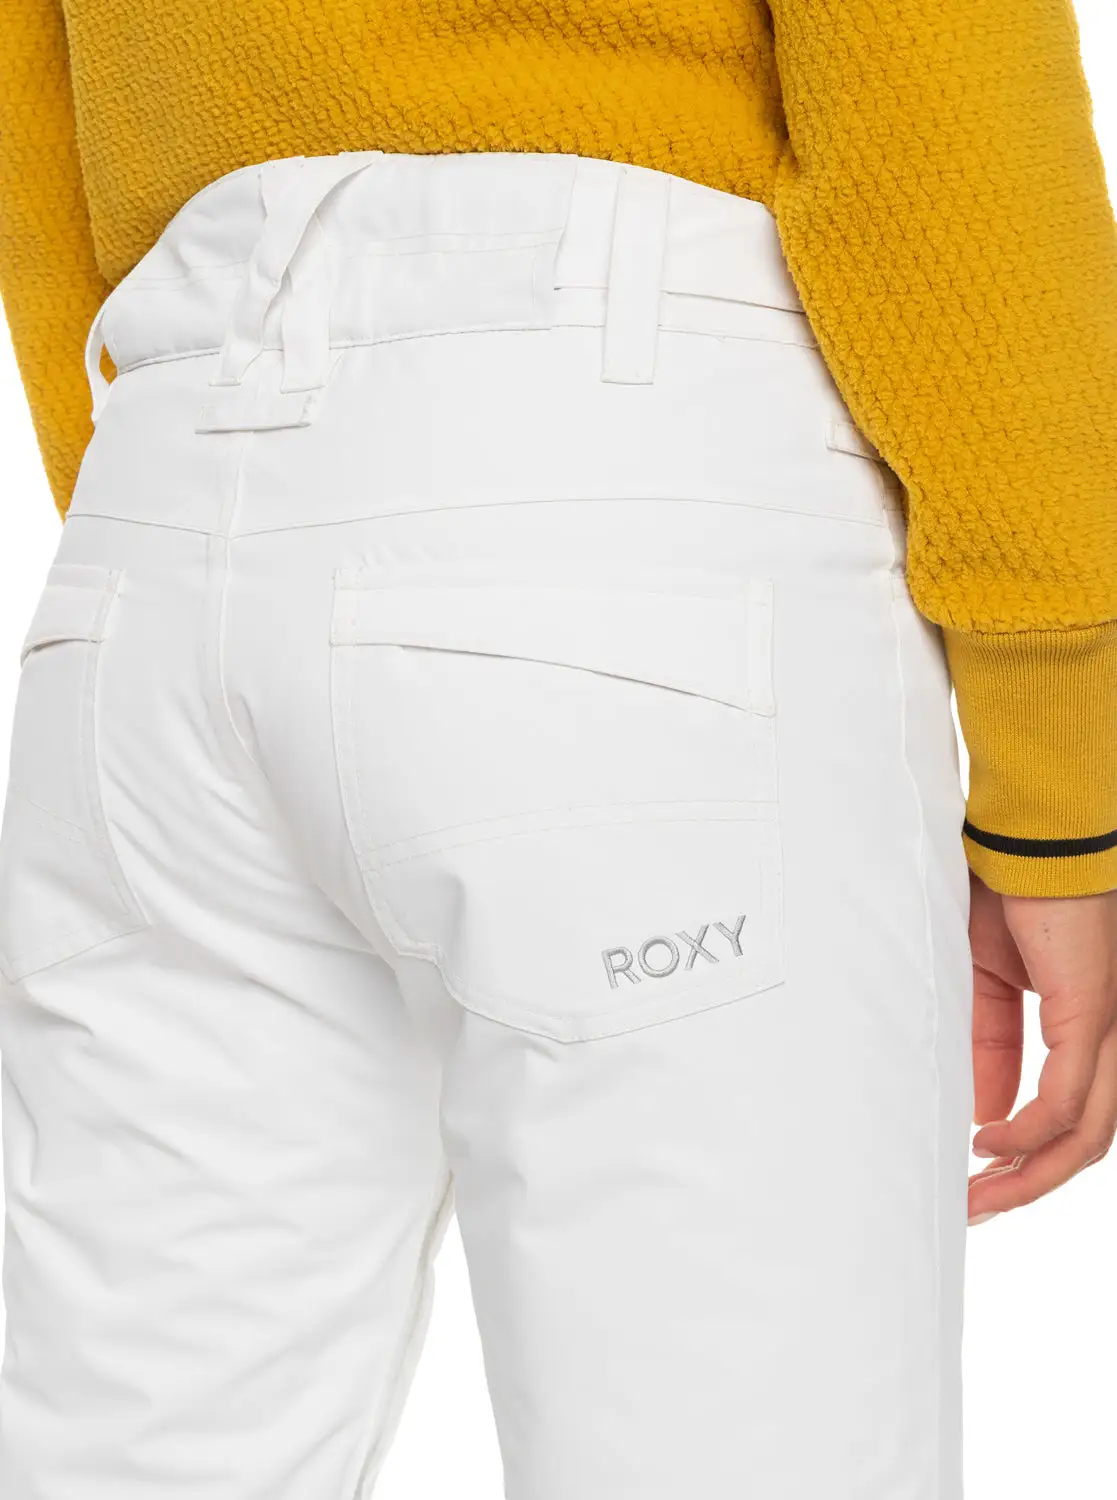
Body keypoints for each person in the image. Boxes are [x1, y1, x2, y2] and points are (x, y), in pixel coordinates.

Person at [0, 0, 1114, 1495]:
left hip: (159, 523)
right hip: (628, 483)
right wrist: (1061, 781)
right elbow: (937, 105)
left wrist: (189, 537)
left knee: (138, 1452)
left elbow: (34, 122)